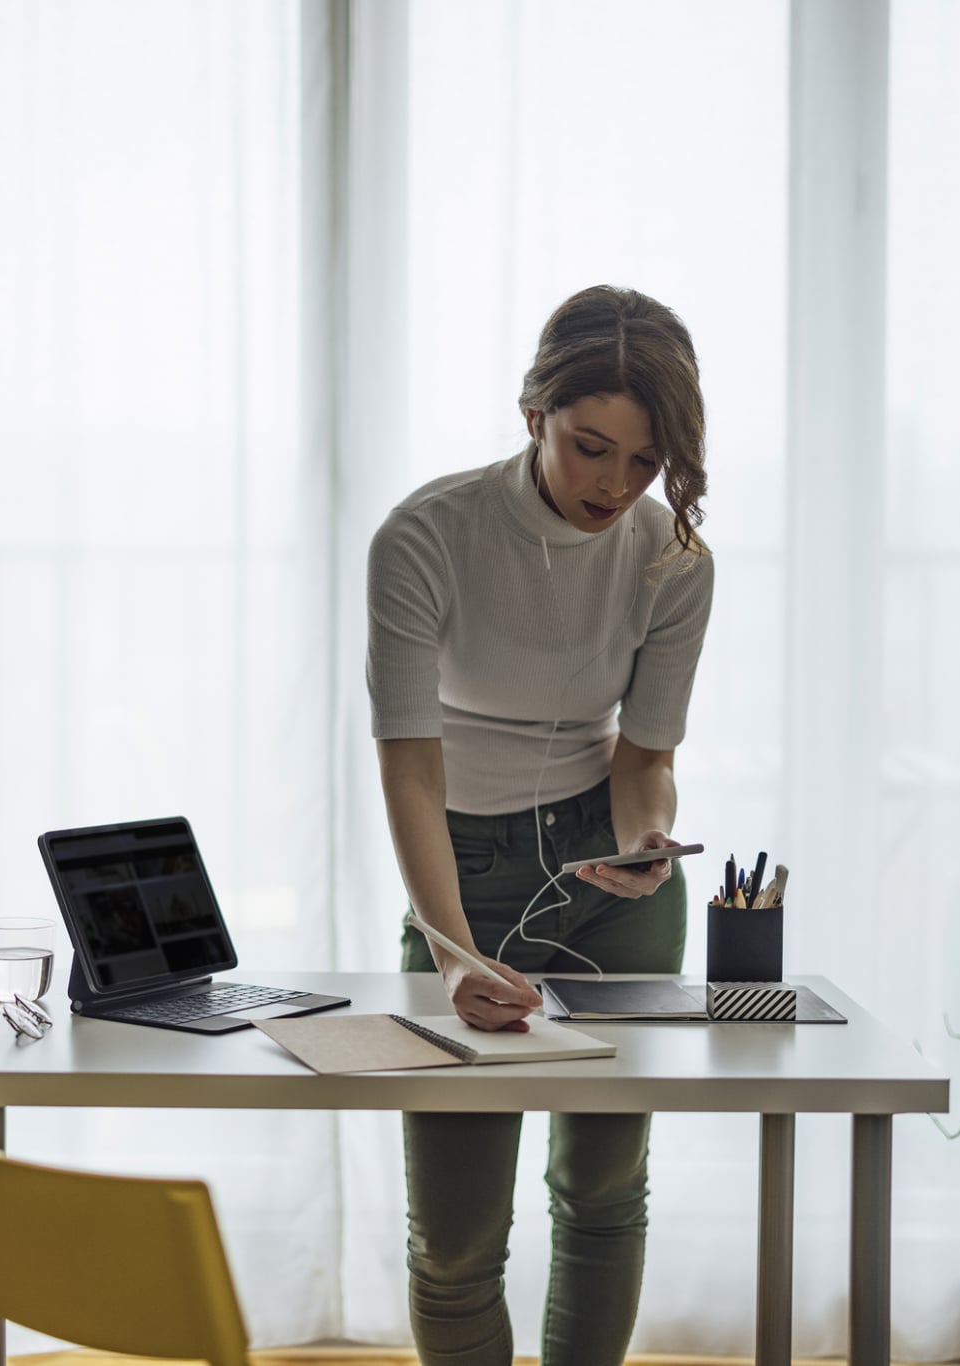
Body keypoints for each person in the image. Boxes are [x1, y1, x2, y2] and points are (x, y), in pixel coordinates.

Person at [366, 284, 715, 1364]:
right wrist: (450, 944)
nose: (614, 484)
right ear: (533, 417)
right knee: (457, 1232)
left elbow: (644, 759)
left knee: (602, 1195)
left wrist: (645, 840)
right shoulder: (425, 537)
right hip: (457, 863)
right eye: (588, 447)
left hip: (604, 877)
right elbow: (410, 770)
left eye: (643, 462)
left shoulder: (673, 560)